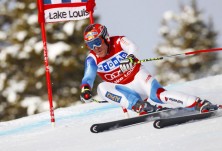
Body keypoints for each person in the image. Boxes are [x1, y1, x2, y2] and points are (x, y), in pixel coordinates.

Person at [80, 23, 218, 115]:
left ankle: (199, 103)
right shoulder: (92, 58)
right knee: (101, 88)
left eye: (97, 42)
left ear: (105, 38)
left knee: (159, 95)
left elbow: (133, 48)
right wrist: (85, 89)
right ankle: (140, 107)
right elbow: (88, 77)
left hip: (138, 78)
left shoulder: (118, 41)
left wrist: (130, 58)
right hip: (126, 91)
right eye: (90, 45)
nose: (95, 48)